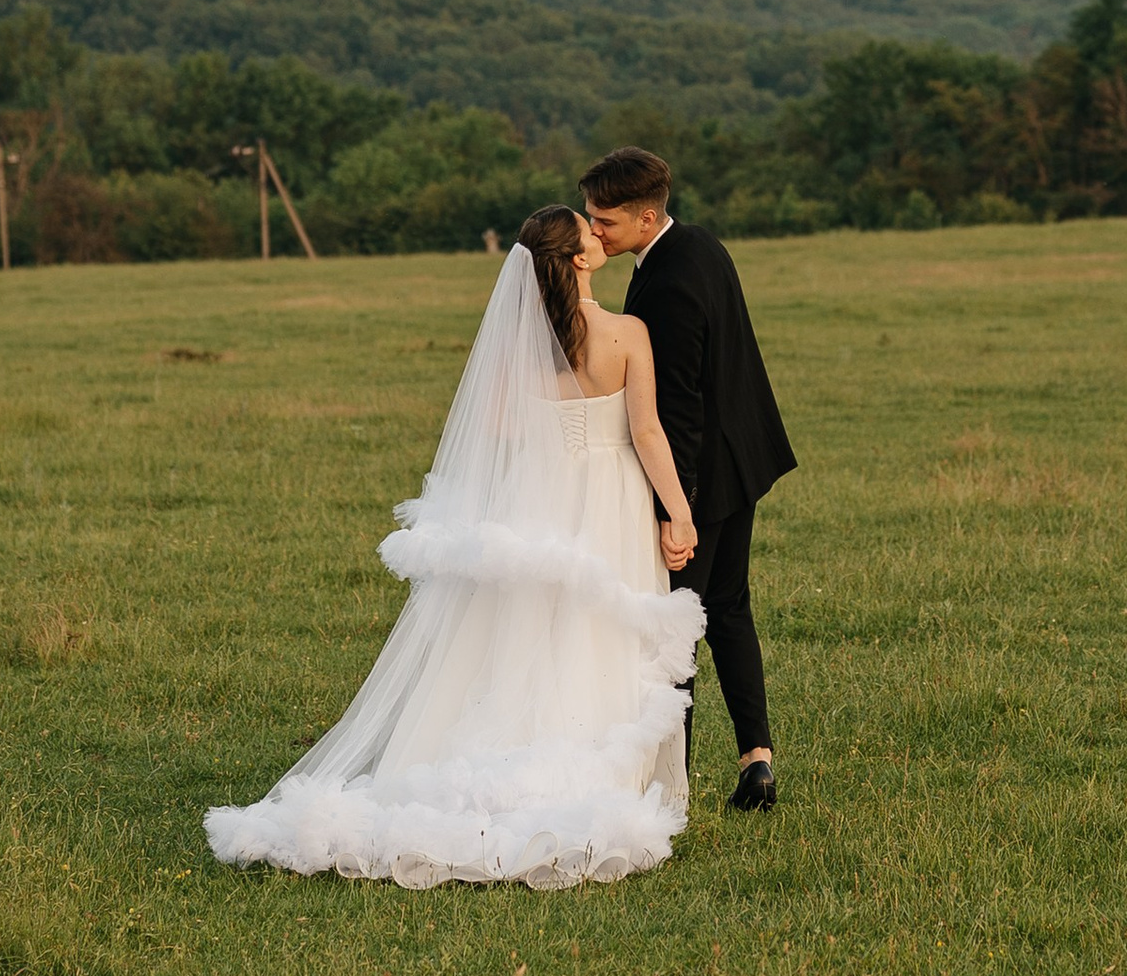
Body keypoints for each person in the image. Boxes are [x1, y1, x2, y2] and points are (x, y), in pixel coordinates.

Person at [204, 209, 702, 888]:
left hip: (542, 492)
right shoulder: (627, 333)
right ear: (580, 260)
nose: (597, 232)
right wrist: (678, 513)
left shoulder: (526, 346)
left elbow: (494, 425)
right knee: (602, 628)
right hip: (613, 497)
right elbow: (645, 432)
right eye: (588, 231)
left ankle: (515, 757)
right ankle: (600, 776)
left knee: (528, 629)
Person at [578, 147, 794, 812]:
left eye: (606, 221)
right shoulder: (701, 245)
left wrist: (680, 512)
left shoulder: (667, 284)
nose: (595, 232)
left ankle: (671, 785)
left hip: (703, 475)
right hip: (743, 459)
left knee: (674, 629)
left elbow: (677, 413)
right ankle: (757, 760)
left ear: (646, 218)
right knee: (728, 609)